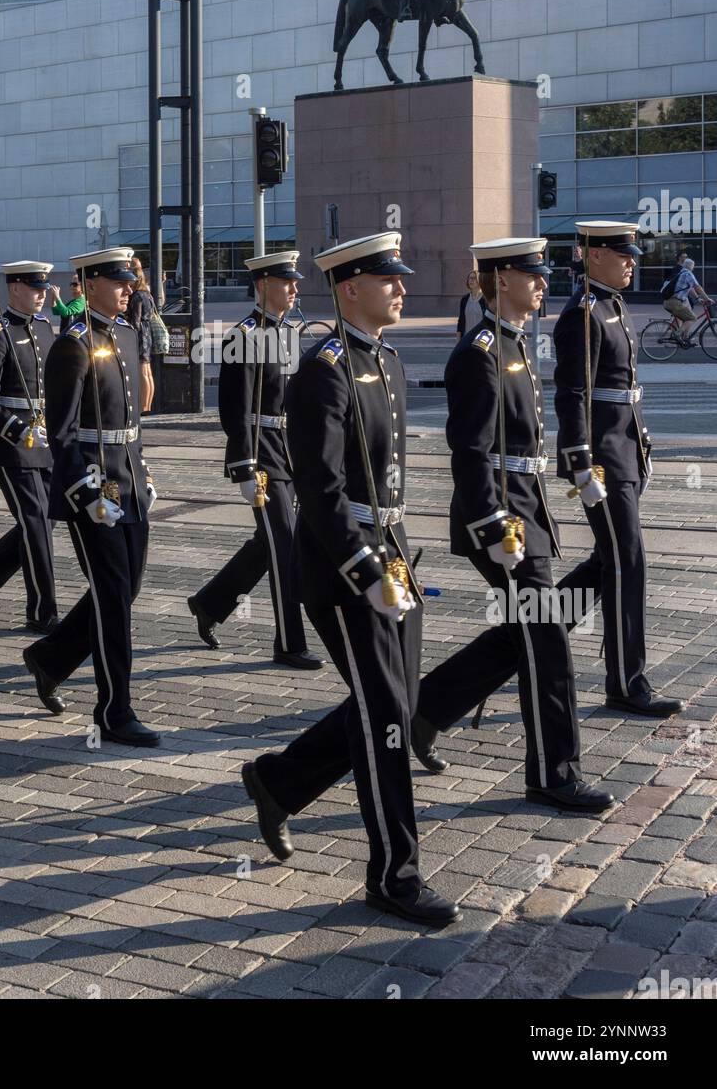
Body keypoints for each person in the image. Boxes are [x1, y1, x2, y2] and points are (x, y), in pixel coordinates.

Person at [240, 232, 459, 929]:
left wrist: (389, 554)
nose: (400, 287)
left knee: (389, 700)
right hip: (341, 567)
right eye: (386, 279)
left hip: (389, 550)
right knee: (388, 717)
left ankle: (279, 780)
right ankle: (393, 875)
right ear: (350, 289)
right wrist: (363, 568)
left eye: (400, 276)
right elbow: (322, 486)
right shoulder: (324, 369)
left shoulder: (384, 359)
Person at [413, 239, 614, 813]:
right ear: (501, 280)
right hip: (503, 518)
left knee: (521, 632)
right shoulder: (478, 352)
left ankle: (428, 709)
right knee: (547, 642)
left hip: (526, 510)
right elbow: (470, 452)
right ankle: (556, 774)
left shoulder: (514, 343)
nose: (544, 283)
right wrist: (494, 522)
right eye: (533, 274)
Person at [22, 247, 160, 747]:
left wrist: (142, 475)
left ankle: (51, 657)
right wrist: (86, 492)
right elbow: (61, 435)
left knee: (125, 590)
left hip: (129, 482)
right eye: (119, 281)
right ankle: (114, 710)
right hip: (96, 489)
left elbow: (131, 422)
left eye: (129, 281)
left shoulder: (124, 333)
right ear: (91, 283)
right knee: (114, 601)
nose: (129, 288)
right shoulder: (73, 343)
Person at [553, 221, 684, 716]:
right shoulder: (584, 313)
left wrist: (642, 443)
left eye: (632, 254)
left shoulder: (613, 305)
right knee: (628, 562)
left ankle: (533, 633)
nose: (632, 261)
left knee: (606, 563)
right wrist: (581, 463)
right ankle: (627, 683)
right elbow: (572, 395)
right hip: (603, 460)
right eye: (622, 254)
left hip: (624, 451)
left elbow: (623, 387)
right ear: (592, 256)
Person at [187, 252, 322, 669]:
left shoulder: (284, 332)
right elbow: (235, 410)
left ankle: (210, 603)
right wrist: (245, 466)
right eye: (287, 282)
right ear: (263, 284)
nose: (295, 288)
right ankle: (289, 643)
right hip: (262, 454)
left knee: (269, 544)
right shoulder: (243, 336)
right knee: (284, 546)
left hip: (287, 450)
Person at [0, 261, 59, 634]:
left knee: (51, 514)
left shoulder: (43, 327)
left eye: (44, 288)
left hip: (46, 438)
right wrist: (16, 429)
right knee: (36, 522)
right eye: (35, 288)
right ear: (14, 289)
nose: (42, 295)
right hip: (13, 443)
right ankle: (42, 611)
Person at [126, 257, 156, 414]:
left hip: (141, 335)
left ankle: (144, 406)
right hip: (147, 333)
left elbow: (136, 322)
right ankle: (148, 404)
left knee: (143, 371)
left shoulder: (137, 295)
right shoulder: (147, 293)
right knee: (148, 371)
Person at [663, 257, 708, 345]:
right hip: (675, 303)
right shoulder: (688, 274)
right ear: (691, 267)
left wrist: (698, 298)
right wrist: (707, 298)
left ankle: (684, 338)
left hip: (669, 302)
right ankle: (677, 335)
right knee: (692, 318)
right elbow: (697, 287)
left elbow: (690, 288)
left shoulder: (681, 273)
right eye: (693, 267)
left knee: (686, 317)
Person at [455, 271, 487, 337]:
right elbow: (461, 321)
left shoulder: (486, 299)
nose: (471, 280)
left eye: (474, 278)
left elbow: (489, 323)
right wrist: (458, 341)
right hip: (466, 338)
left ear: (479, 280)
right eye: (470, 278)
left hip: (481, 340)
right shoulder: (465, 299)